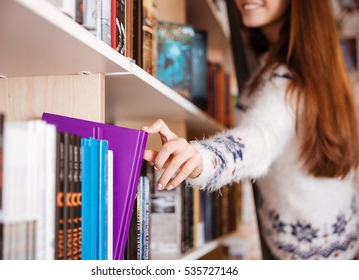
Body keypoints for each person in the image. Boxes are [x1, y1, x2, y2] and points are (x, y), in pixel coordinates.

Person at [142, 0, 359, 260]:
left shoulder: (284, 80)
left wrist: (201, 158)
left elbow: (260, 140)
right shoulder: (316, 68)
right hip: (342, 239)